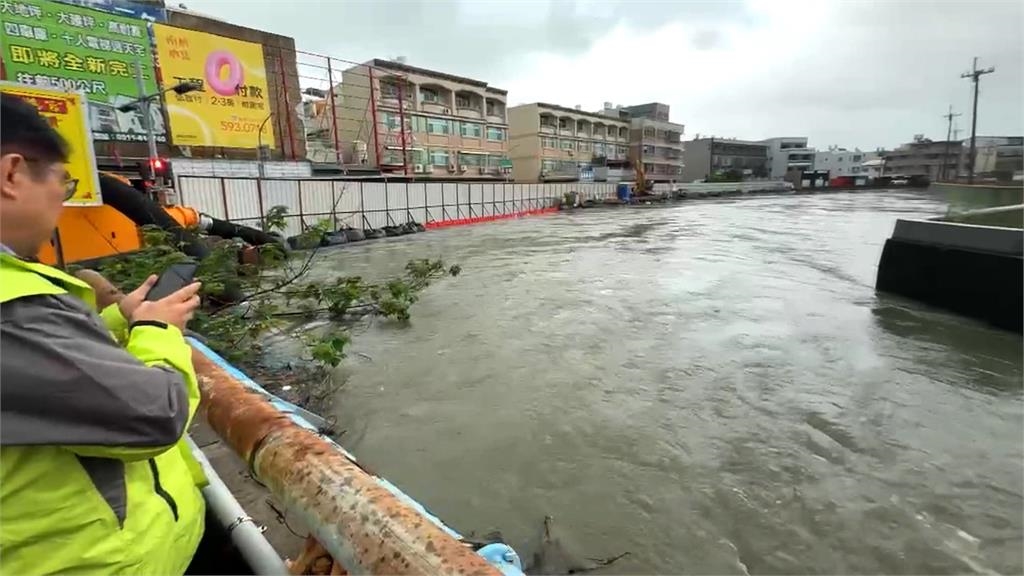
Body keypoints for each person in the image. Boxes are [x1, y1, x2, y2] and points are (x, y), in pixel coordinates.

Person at [0, 93, 206, 573]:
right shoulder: (16, 307)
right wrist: (157, 330)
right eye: (61, 182)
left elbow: (40, 373)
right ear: (12, 175)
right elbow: (155, 414)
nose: (61, 198)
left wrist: (115, 320)